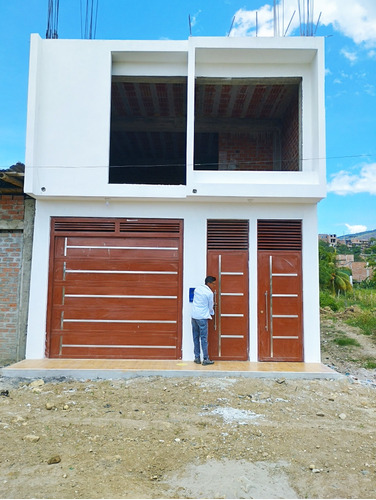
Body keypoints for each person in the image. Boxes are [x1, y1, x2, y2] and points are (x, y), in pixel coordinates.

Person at [191, 276, 216, 365]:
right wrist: (211, 313)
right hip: (202, 317)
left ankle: (197, 357)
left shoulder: (197, 289)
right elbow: (210, 306)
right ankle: (205, 359)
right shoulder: (209, 293)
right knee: (204, 338)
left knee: (195, 337)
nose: (214, 285)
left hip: (194, 316)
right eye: (213, 284)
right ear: (209, 283)